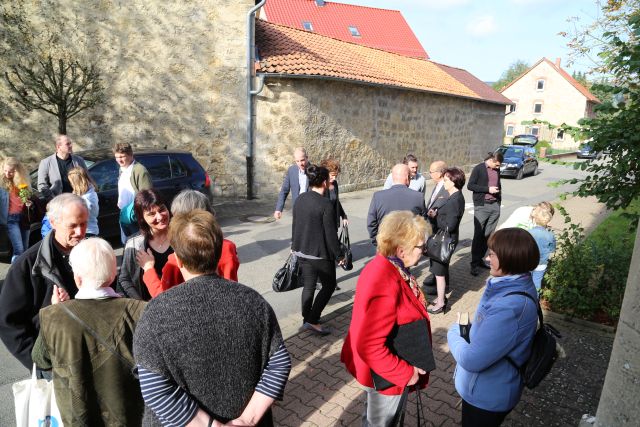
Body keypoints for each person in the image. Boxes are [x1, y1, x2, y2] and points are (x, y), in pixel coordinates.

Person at [134, 209, 291, 426]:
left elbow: (154, 387)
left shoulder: (155, 314)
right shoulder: (254, 302)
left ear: (178, 259)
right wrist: (246, 420)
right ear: (218, 254)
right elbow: (279, 362)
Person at [31, 238, 146, 425]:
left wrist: (57, 310)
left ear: (77, 278)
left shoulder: (52, 316)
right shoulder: (139, 311)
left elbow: (40, 359)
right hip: (130, 416)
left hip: (77, 417)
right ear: (112, 276)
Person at [341, 211, 432, 426]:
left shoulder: (387, 264)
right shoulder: (385, 279)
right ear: (401, 250)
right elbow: (369, 344)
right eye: (421, 247)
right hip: (387, 374)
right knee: (381, 422)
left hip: (388, 364)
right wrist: (405, 373)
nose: (424, 251)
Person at [447, 228, 539, 427]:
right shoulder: (515, 283)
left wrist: (453, 331)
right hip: (489, 387)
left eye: (492, 254)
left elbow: (472, 360)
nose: (487, 258)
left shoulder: (509, 307)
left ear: (510, 258)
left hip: (486, 397)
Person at [0, 193, 88, 369]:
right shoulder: (28, 265)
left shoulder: (93, 251)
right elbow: (8, 322)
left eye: (84, 224)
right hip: (54, 363)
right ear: (53, 223)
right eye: (73, 226)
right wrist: (39, 364)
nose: (80, 232)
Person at [136, 189, 240, 297]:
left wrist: (148, 269)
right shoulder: (227, 247)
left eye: (175, 217)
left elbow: (163, 298)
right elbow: (231, 288)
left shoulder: (177, 258)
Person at [292, 165, 344, 335]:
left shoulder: (300, 199)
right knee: (328, 286)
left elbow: (296, 225)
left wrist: (294, 246)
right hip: (320, 255)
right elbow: (331, 235)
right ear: (324, 182)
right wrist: (339, 255)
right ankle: (313, 320)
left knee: (308, 286)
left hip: (301, 251)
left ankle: (307, 318)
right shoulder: (325, 204)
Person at [118, 189, 172, 301]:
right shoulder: (134, 243)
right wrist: (141, 306)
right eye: (151, 214)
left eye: (162, 209)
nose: (159, 217)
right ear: (142, 218)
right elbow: (124, 279)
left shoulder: (182, 236)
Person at [427, 167, 466, 314]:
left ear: (454, 181)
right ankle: (440, 297)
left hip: (444, 241)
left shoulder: (455, 199)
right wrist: (437, 213)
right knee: (439, 272)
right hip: (442, 239)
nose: (444, 182)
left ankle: (441, 303)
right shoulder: (453, 196)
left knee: (440, 273)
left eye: (446, 179)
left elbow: (450, 226)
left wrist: (434, 217)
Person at [367, 163, 426, 243]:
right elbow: (423, 223)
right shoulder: (418, 197)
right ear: (407, 177)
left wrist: (378, 242)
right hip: (409, 247)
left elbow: (371, 223)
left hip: (386, 246)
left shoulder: (378, 196)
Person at [468, 152, 504, 276]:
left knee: (488, 236)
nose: (499, 168)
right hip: (482, 206)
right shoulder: (478, 169)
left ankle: (480, 260)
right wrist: (487, 189)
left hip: (495, 205)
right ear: (492, 161)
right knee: (478, 235)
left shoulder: (497, 170)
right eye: (498, 165)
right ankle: (474, 264)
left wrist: (498, 203)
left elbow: (499, 184)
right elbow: (470, 185)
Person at [114, 142, 152, 242]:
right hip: (125, 214)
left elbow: (147, 196)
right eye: (117, 157)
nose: (119, 160)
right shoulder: (122, 169)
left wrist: (140, 215)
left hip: (136, 217)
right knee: (128, 243)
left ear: (131, 155)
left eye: (122, 156)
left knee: (138, 243)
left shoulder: (140, 170)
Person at [423, 160, 449, 291]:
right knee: (434, 256)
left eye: (431, 171)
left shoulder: (447, 187)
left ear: (440, 173)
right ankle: (435, 277)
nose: (430, 173)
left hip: (440, 229)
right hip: (434, 227)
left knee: (441, 258)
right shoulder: (438, 184)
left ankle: (442, 285)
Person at [37, 135, 87, 200]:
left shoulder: (78, 160)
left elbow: (87, 179)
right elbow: (42, 185)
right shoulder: (46, 163)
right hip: (58, 203)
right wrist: (53, 199)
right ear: (58, 147)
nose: (71, 146)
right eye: (68, 144)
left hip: (78, 201)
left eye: (70, 143)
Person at [1, 157, 32, 263]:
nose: (7, 174)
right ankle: (15, 276)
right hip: (11, 219)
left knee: (26, 248)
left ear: (17, 171)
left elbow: (27, 197)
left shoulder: (23, 181)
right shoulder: (1, 183)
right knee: (19, 249)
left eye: (11, 171)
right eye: (5, 170)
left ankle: (23, 273)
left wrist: (28, 202)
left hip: (23, 217)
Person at [527, 202, 556, 291]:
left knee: (526, 281)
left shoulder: (528, 232)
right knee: (537, 283)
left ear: (535, 219)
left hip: (528, 262)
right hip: (541, 263)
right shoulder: (550, 235)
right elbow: (552, 249)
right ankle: (535, 301)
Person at [274, 146, 308, 220]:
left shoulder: (314, 171)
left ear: (307, 158)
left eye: (302, 160)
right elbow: (284, 190)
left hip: (310, 211)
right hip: (297, 210)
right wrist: (278, 209)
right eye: (297, 161)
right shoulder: (292, 171)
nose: (300, 164)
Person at [67, 166, 99, 237]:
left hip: (87, 231)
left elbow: (80, 215)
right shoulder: (86, 194)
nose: (71, 184)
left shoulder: (86, 198)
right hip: (87, 230)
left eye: (71, 182)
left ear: (76, 182)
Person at [320, 158, 348, 230]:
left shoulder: (334, 184)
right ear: (325, 173)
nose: (334, 178)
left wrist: (343, 216)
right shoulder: (320, 186)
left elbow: (336, 201)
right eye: (332, 175)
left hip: (333, 221)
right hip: (323, 224)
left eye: (336, 175)